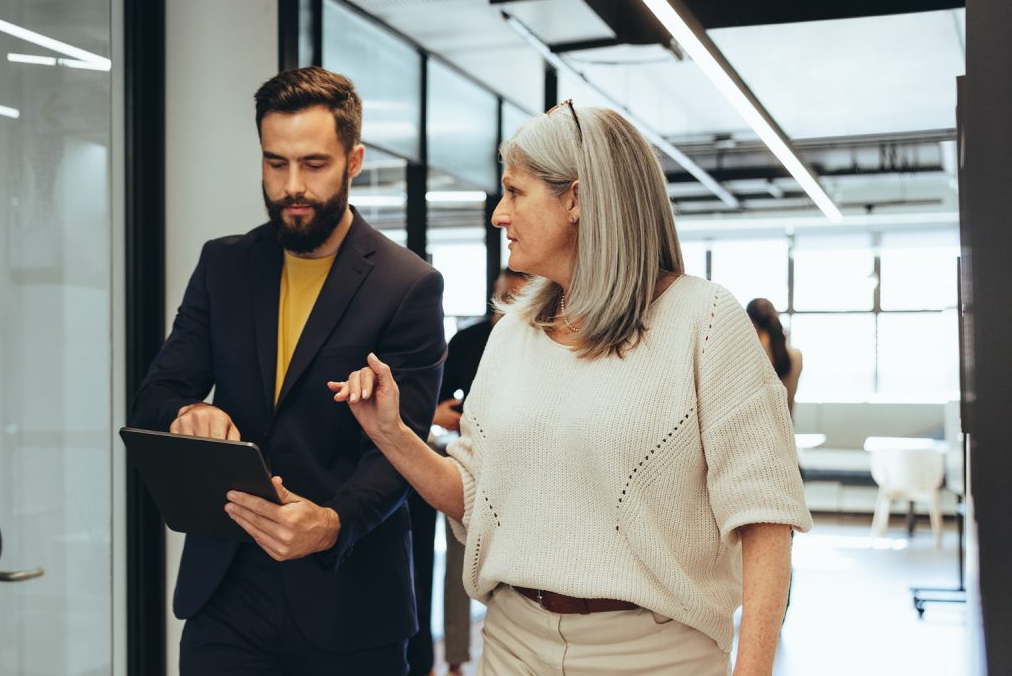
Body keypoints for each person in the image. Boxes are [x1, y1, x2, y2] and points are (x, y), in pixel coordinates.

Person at [328, 102, 811, 675]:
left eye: (515, 192)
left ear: (576, 200)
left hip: (652, 657)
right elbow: (479, 494)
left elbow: (764, 520)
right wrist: (393, 433)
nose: (498, 215)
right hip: (512, 645)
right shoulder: (512, 335)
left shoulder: (703, 320)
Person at [129, 66, 446, 675]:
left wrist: (329, 524)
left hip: (348, 598)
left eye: (314, 164)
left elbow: (398, 451)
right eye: (276, 164)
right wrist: (189, 412)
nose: (292, 186)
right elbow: (158, 394)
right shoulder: (224, 265)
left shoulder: (407, 286)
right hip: (226, 593)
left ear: (353, 161)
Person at [409, 268, 528, 676]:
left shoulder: (542, 339)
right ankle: (457, 659)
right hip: (473, 464)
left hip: (527, 470)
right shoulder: (470, 341)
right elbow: (440, 400)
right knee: (462, 569)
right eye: (506, 294)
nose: (511, 301)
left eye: (520, 294)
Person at [746, 298, 803, 415]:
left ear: (752, 323)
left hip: (760, 429)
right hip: (787, 428)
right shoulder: (796, 355)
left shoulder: (754, 354)